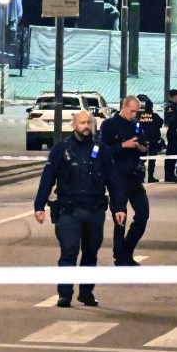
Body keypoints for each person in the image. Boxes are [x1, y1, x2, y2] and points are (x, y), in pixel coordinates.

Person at [32, 109, 125, 307]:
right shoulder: (61, 149)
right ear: (74, 125)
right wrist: (39, 205)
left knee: (91, 254)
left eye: (89, 123)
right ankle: (64, 294)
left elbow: (113, 181)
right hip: (69, 211)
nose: (86, 126)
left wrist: (119, 207)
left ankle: (86, 292)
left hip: (94, 210)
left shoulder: (102, 150)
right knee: (69, 253)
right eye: (82, 122)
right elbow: (47, 178)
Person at [98, 95, 151, 264]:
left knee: (143, 215)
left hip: (134, 176)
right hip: (117, 178)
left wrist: (142, 148)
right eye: (132, 111)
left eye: (137, 111)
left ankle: (126, 250)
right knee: (120, 218)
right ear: (124, 106)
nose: (134, 114)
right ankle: (120, 256)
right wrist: (123, 145)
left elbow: (142, 144)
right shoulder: (109, 125)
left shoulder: (136, 125)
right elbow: (102, 150)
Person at [137, 94, 163, 183]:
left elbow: (136, 127)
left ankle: (141, 177)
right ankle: (150, 176)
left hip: (142, 141)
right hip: (153, 141)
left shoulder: (139, 116)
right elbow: (160, 124)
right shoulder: (155, 116)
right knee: (152, 160)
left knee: (140, 160)